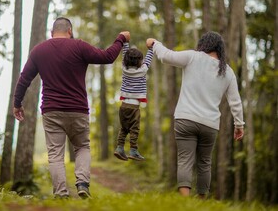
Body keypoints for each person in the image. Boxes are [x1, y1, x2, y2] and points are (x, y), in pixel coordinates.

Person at [13, 17, 130, 199]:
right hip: (78, 109)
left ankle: (61, 193)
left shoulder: (39, 50)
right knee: (82, 146)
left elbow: (24, 79)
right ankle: (83, 184)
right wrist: (121, 38)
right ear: (70, 31)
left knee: (55, 155)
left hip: (52, 111)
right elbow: (107, 57)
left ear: (52, 33)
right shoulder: (79, 46)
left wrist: (17, 103)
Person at [146, 31, 245, 198]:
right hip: (210, 124)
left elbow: (166, 56)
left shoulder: (193, 57)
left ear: (203, 44)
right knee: (204, 164)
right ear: (220, 49)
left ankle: (186, 203)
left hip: (185, 119)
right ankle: (201, 203)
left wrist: (155, 43)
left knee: (185, 160)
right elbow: (235, 101)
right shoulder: (227, 71)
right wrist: (239, 125)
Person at [113, 41, 153, 161]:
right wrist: (151, 48)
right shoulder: (143, 70)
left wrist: (125, 43)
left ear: (125, 61)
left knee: (124, 128)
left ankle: (119, 148)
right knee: (134, 129)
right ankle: (133, 150)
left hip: (124, 106)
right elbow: (149, 59)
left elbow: (125, 53)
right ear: (140, 61)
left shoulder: (124, 69)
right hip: (134, 107)